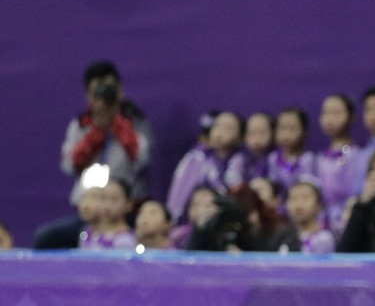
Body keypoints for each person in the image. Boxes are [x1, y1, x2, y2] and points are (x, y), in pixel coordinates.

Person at [36, 61, 152, 249]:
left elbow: (141, 159)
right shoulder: (80, 125)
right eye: (96, 91)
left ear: (120, 90)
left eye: (109, 88)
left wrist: (117, 124)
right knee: (46, 238)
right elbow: (69, 165)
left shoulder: (136, 121)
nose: (103, 95)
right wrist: (96, 132)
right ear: (88, 96)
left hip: (123, 215)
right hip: (89, 214)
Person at [166, 110, 243, 222]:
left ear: (240, 137)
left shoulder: (242, 162)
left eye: (228, 128)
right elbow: (178, 196)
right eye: (216, 126)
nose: (219, 132)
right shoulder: (196, 158)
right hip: (195, 221)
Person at [187, 182, 300, 252]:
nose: (243, 221)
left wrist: (244, 260)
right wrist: (199, 230)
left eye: (247, 213)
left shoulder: (281, 233)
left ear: (258, 210)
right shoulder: (221, 231)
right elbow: (189, 264)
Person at [314, 93, 356, 234]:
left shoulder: (355, 155)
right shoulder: (319, 157)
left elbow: (353, 194)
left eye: (337, 113)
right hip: (320, 223)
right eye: (326, 113)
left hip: (345, 222)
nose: (330, 119)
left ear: (350, 117)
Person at [267, 106, 316, 199]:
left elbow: (309, 187)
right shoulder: (273, 158)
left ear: (304, 131)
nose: (286, 134)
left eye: (292, 128)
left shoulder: (308, 159)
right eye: (282, 128)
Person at [77, 179, 137, 251]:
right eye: (103, 198)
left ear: (128, 204)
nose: (107, 205)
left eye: (114, 199)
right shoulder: (87, 233)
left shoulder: (127, 239)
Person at [227, 111, 274, 187]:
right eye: (252, 133)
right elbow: (232, 181)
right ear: (244, 136)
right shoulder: (239, 159)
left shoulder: (274, 158)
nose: (257, 138)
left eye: (262, 132)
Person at [286, 180, 336, 253]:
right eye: (293, 198)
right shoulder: (284, 236)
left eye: (305, 198)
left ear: (318, 205)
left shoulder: (323, 239)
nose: (298, 204)